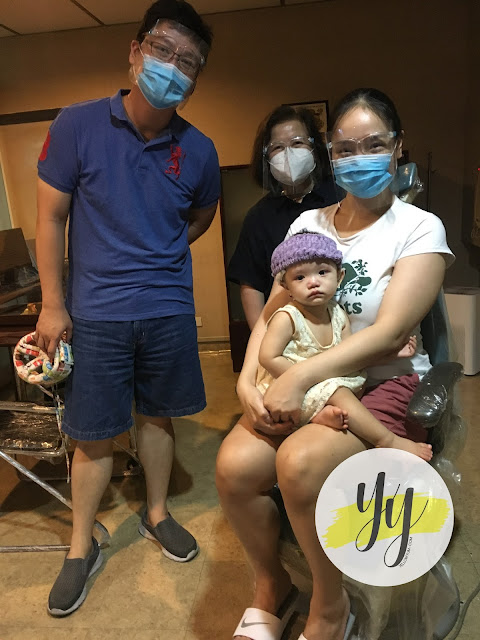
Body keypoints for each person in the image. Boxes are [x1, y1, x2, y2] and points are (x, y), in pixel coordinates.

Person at [216, 87, 454, 640]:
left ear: (398, 147)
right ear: (331, 154)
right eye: (346, 148)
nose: (359, 157)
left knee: (298, 465)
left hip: (381, 385)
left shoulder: (419, 228)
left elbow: (389, 334)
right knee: (233, 468)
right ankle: (273, 585)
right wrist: (248, 381)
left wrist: (299, 375)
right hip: (306, 384)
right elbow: (272, 312)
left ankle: (330, 606)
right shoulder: (307, 226)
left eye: (374, 144)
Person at [35, 0, 220, 617]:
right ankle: (80, 547)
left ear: (195, 79)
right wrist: (53, 303)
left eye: (187, 62)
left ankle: (156, 513)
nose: (172, 67)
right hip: (95, 311)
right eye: (163, 50)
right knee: (91, 434)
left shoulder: (199, 149)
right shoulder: (77, 125)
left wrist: (160, 250)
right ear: (136, 50)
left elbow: (201, 216)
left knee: (158, 419)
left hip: (167, 308)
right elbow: (50, 218)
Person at [258, 231, 432, 460]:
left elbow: (352, 357)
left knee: (355, 383)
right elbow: (267, 357)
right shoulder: (287, 317)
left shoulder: (337, 314)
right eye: (299, 277)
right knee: (337, 391)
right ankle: (386, 439)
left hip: (321, 380)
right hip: (287, 387)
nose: (313, 282)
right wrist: (300, 379)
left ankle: (318, 415)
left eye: (322, 272)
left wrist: (390, 355)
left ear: (339, 277)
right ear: (286, 286)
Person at [227, 105, 338, 330]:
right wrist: (263, 339)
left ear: (314, 148)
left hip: (341, 322)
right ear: (266, 157)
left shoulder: (341, 197)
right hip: (287, 330)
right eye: (277, 147)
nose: (288, 153)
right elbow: (251, 284)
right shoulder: (258, 217)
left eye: (297, 143)